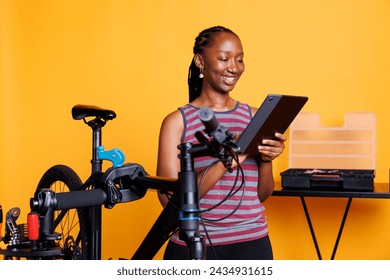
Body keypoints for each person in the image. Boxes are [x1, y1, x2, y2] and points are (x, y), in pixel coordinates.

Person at [156, 26, 286, 260]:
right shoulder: (177, 122)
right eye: (224, 58)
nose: (234, 68)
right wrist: (228, 160)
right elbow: (170, 202)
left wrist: (266, 160)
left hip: (253, 243)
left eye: (239, 60)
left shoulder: (255, 117)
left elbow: (263, 194)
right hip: (193, 244)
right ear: (200, 61)